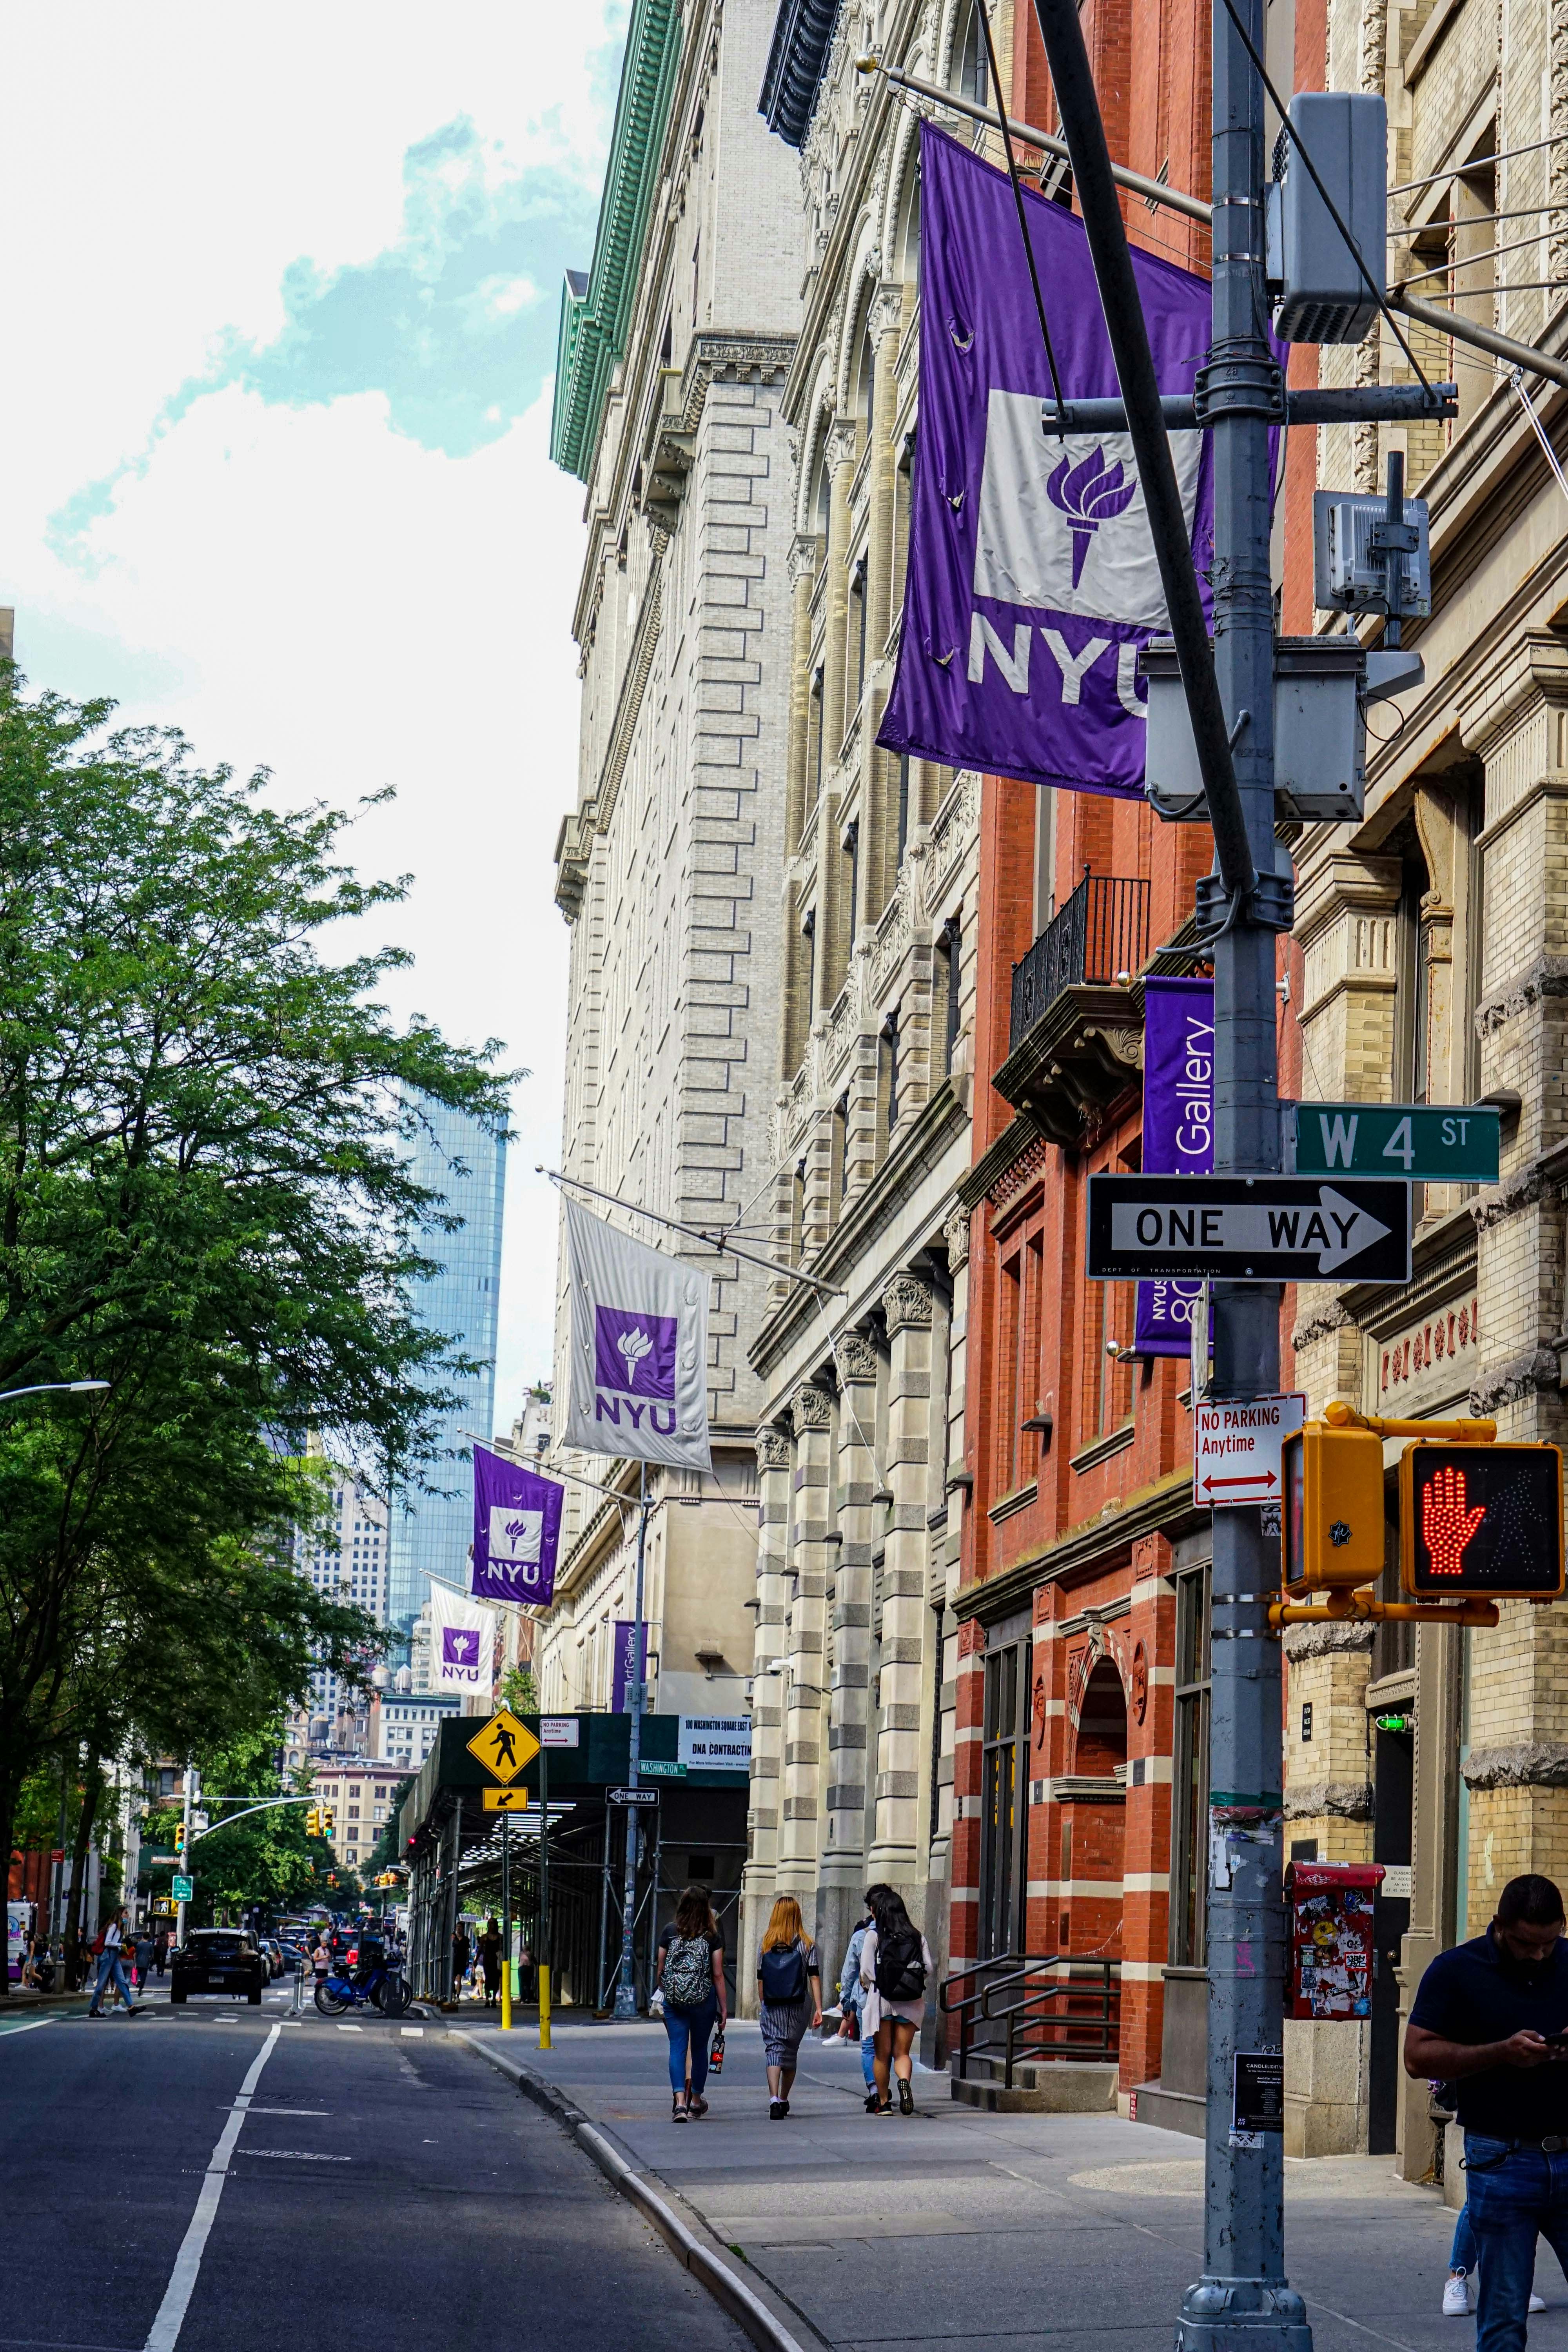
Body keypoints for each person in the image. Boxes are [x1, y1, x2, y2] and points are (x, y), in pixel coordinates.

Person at [1405, 1872, 1568, 2352]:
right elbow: (1417, 2057)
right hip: (1501, 2158)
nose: (1538, 1954)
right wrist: (1500, 2052)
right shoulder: (1457, 1970)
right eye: (1525, 1943)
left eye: (1549, 1942)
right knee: (1503, 2314)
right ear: (1499, 1925)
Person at [860, 1887, 934, 2117]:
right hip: (910, 2002)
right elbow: (929, 1969)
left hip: (882, 2000)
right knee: (902, 2053)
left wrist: (872, 1982)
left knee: (882, 2054)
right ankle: (904, 2082)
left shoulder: (874, 1936)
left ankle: (883, 2103)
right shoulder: (917, 1936)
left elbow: (866, 1971)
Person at [656, 1886, 727, 2122]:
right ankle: (696, 2101)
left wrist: (671, 1989)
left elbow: (661, 1971)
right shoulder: (711, 1936)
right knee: (698, 2051)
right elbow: (717, 1975)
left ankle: (679, 2104)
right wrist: (724, 2008)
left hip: (674, 2001)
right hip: (703, 2002)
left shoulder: (669, 1932)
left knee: (677, 2048)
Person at [756, 1894, 822, 2120]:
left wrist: (764, 2003)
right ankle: (784, 2099)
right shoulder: (807, 1944)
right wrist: (819, 2008)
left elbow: (761, 1979)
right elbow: (814, 1977)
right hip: (798, 2004)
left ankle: (773, 2098)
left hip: (773, 2004)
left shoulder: (765, 1944)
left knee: (774, 2049)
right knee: (791, 2051)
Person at [837, 1887, 891, 2112]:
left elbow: (851, 1971)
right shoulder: (902, 1933)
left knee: (870, 2048)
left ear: (871, 1908)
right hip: (893, 2000)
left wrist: (845, 2000)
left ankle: (874, 2090)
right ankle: (884, 2088)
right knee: (886, 2048)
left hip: (866, 1999)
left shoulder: (862, 1935)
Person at [87, 1909, 142, 2017]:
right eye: (126, 1913)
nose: (128, 1915)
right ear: (120, 1915)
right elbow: (107, 1942)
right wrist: (120, 1945)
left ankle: (131, 2007)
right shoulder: (113, 1927)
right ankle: (94, 2009)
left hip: (114, 1956)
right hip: (108, 1956)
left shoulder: (119, 1928)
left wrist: (119, 1946)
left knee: (122, 1982)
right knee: (101, 1983)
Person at [479, 1917, 503, 2010]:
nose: (491, 1925)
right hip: (487, 1960)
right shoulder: (484, 1937)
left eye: (493, 1923)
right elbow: (480, 1949)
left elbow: (502, 1949)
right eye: (490, 1923)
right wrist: (476, 1961)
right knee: (488, 1978)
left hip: (496, 1961)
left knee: (496, 1979)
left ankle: (494, 1999)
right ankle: (487, 1999)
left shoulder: (500, 1937)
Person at [451, 1922, 471, 2001]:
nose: (459, 1928)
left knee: (459, 1979)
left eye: (460, 1927)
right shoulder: (453, 1937)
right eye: (457, 1927)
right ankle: (453, 1993)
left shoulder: (466, 1940)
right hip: (453, 1960)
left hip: (461, 1960)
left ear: (463, 1929)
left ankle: (457, 1996)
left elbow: (467, 1951)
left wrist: (467, 1961)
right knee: (452, 1979)